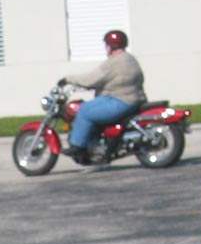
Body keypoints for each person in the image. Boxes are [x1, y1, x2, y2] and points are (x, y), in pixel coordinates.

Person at [58, 29, 147, 164]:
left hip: (121, 101)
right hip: (132, 99)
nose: (106, 48)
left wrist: (68, 79)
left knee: (84, 110)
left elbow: (90, 79)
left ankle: (77, 146)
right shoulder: (129, 59)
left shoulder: (114, 62)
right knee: (93, 106)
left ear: (110, 46)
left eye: (106, 45)